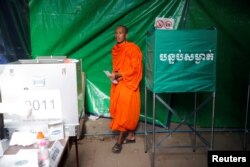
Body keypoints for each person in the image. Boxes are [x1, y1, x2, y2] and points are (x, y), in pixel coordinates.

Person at [109, 25, 143, 153]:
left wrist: (119, 74)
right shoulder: (115, 49)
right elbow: (117, 67)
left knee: (125, 113)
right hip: (119, 84)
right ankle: (131, 135)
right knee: (123, 111)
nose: (118, 35)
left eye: (121, 33)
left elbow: (135, 69)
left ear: (126, 35)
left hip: (129, 85)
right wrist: (114, 75)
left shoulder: (133, 49)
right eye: (116, 33)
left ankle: (119, 142)